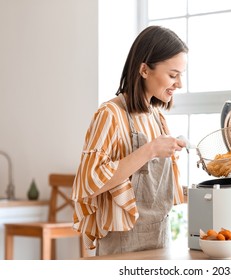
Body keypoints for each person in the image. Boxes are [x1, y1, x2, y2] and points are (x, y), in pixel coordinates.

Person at [71, 25, 188, 256]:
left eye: (181, 76)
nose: (179, 84)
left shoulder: (158, 118)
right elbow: (89, 181)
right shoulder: (110, 114)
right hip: (122, 246)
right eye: (173, 75)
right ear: (144, 70)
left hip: (159, 240)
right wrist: (150, 150)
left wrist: (205, 192)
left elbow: (156, 191)